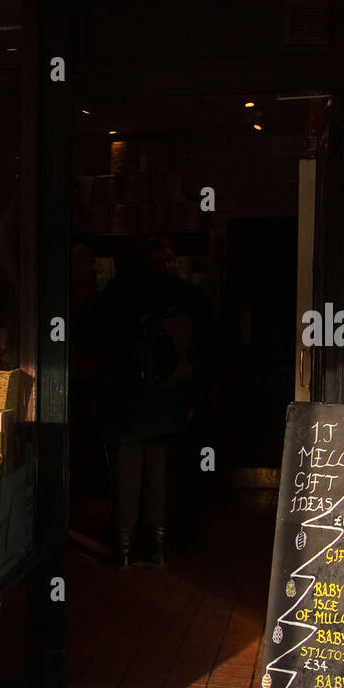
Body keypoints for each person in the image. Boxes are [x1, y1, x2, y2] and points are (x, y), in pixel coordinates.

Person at [99, 238, 215, 568]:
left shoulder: (116, 295)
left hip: (125, 405)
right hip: (168, 402)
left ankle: (122, 551)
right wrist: (194, 398)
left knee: (126, 475)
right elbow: (204, 352)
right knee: (160, 477)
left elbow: (94, 342)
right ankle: (159, 548)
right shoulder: (186, 296)